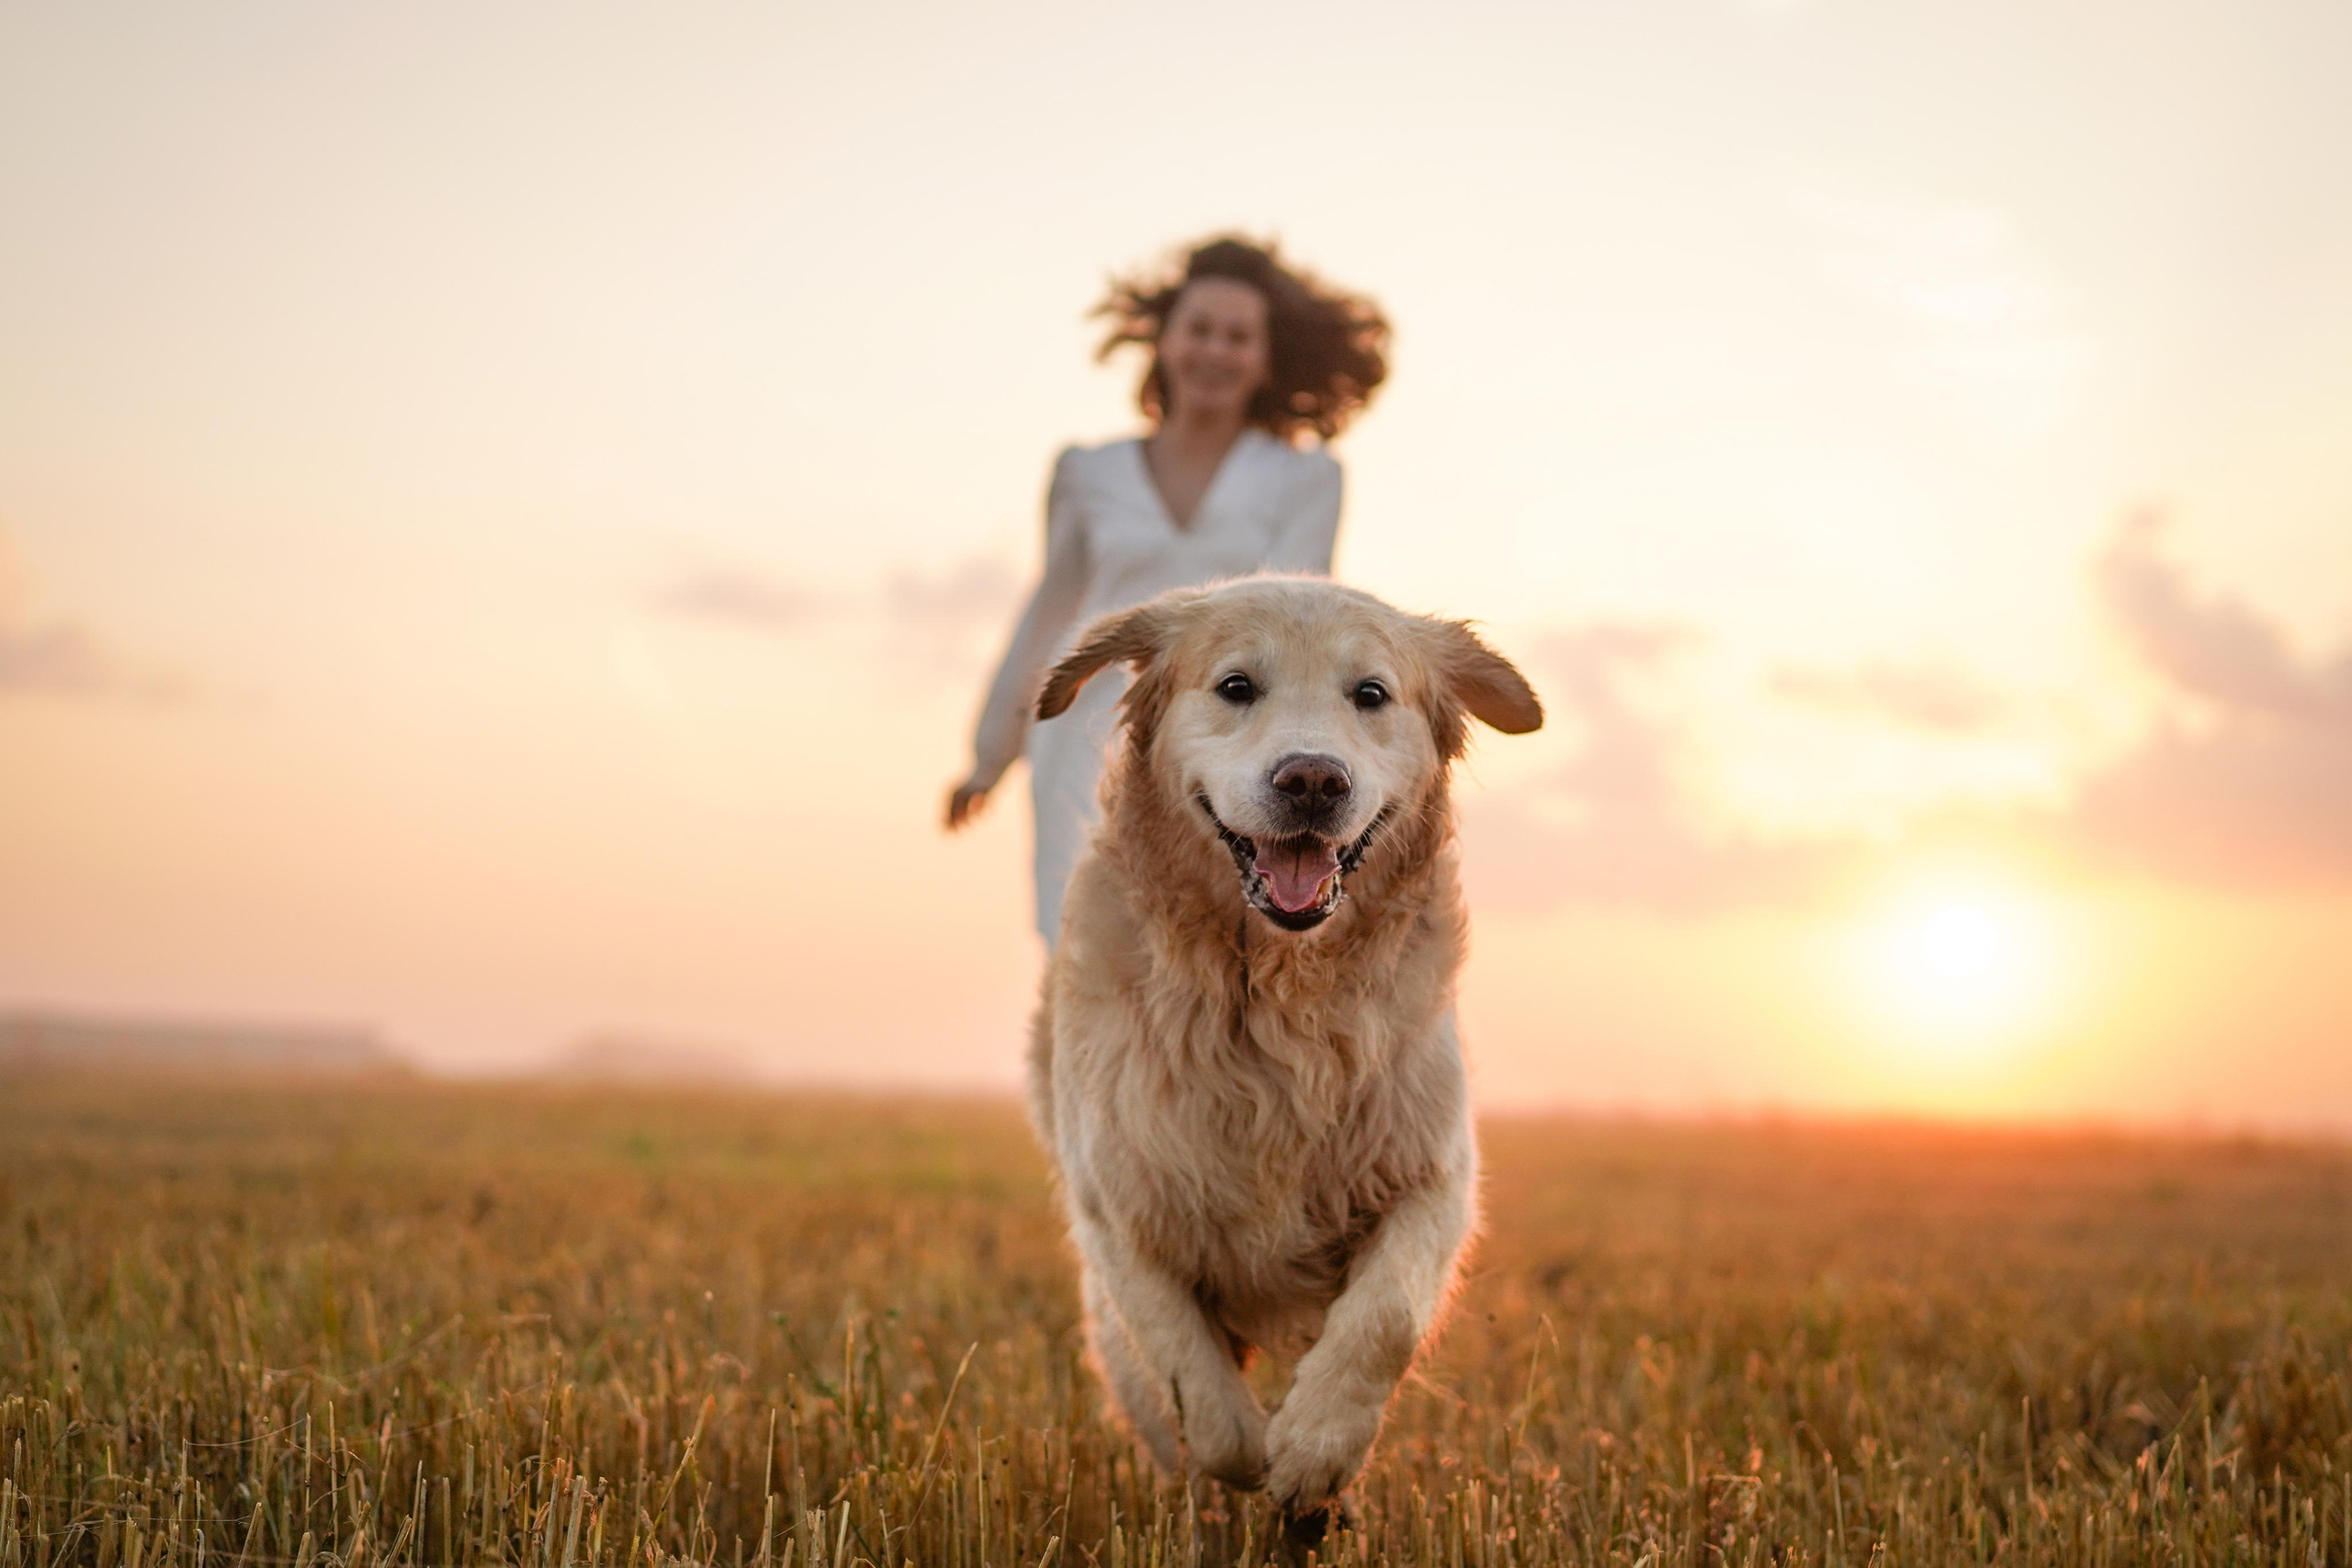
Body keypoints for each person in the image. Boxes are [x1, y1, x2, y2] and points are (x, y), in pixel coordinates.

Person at [944, 235, 1390, 943]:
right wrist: (989, 754)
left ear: (1266, 357)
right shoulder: (1088, 471)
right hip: (1084, 732)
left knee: (1214, 951)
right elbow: (1049, 612)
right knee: (1082, 945)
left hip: (1228, 738)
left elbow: (1305, 623)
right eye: (1200, 329)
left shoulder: (1307, 478)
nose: (1215, 350)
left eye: (1238, 336)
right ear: (1165, 342)